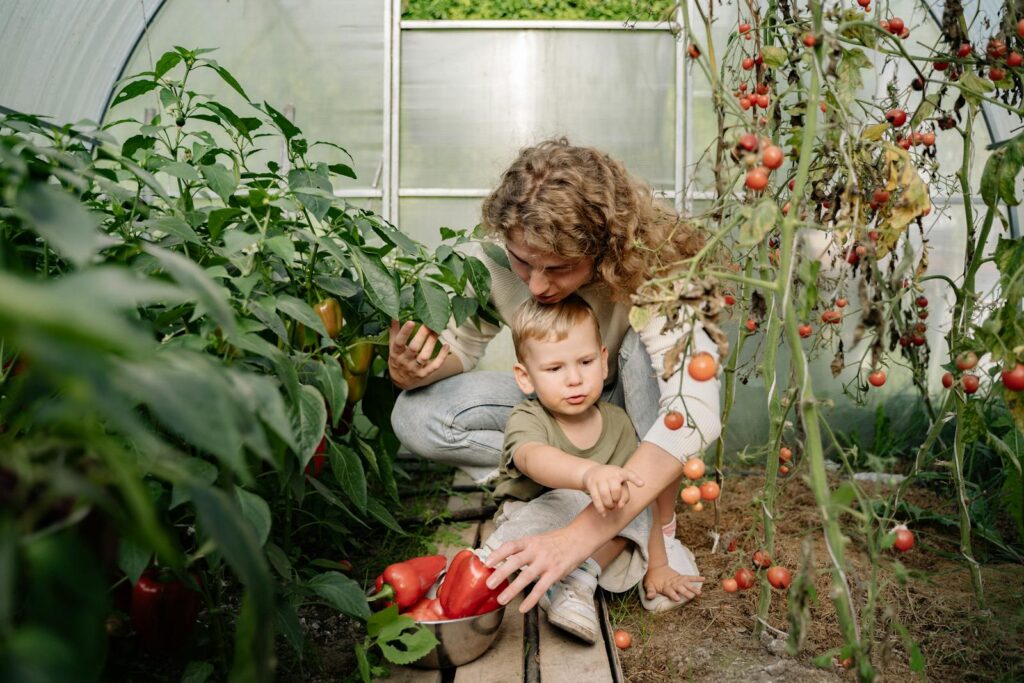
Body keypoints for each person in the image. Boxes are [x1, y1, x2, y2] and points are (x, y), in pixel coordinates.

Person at [388, 138, 722, 612]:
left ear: (605, 247)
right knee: (417, 415)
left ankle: (651, 527)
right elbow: (460, 348)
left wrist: (572, 542)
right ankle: (567, 486)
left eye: (558, 269)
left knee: (651, 358)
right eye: (524, 263)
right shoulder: (495, 258)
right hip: (555, 413)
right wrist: (411, 371)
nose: (537, 286)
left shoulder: (657, 263)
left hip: (630, 418)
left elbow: (696, 414)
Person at [477, 295, 699, 643]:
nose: (574, 379)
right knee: (570, 496)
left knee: (634, 497)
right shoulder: (528, 417)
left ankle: (578, 580)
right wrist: (588, 474)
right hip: (532, 520)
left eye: (585, 361)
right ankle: (484, 562)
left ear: (604, 360)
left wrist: (657, 566)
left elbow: (644, 495)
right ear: (525, 377)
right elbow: (531, 458)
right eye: (554, 369)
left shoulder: (619, 423)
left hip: (592, 537)